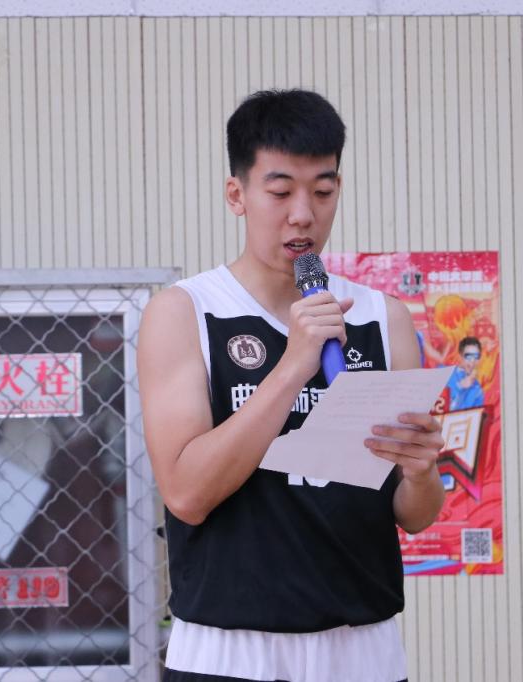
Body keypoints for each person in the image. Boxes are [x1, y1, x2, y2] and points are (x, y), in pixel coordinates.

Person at [137, 89, 445, 682]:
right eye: (280, 192)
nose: (302, 214)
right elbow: (187, 493)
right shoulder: (185, 311)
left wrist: (422, 472)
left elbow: (414, 516)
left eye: (322, 192)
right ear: (237, 195)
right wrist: (292, 365)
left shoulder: (383, 318)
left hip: (363, 647)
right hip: (228, 648)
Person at [443, 336, 484, 412]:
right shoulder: (444, 374)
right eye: (468, 356)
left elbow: (477, 417)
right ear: (460, 357)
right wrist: (460, 387)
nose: (472, 361)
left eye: (476, 356)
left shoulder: (477, 389)